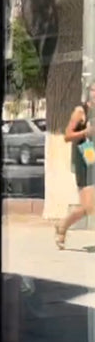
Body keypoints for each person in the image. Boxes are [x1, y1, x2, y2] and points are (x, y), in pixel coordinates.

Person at [57, 81, 95, 248]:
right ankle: (63, 225)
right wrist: (85, 132)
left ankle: (63, 225)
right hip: (83, 159)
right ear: (89, 92)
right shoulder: (81, 111)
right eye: (94, 90)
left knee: (90, 206)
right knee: (88, 207)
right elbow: (67, 136)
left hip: (93, 158)